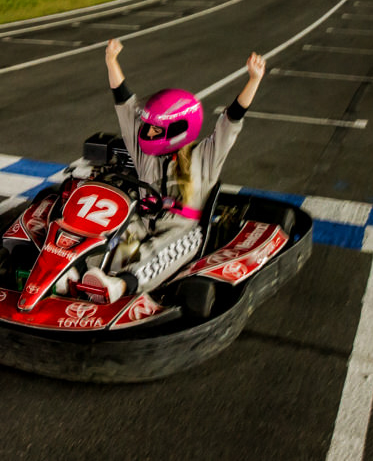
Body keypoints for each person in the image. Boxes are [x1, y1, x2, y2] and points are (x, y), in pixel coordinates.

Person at [79, 38, 265, 303]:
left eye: (154, 128)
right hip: (143, 219)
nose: (146, 131)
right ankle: (78, 273)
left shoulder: (204, 157)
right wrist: (112, 61)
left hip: (181, 228)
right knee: (115, 231)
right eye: (148, 126)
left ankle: (121, 286)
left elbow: (230, 122)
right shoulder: (145, 153)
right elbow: (125, 104)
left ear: (177, 129)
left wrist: (254, 80)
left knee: (170, 246)